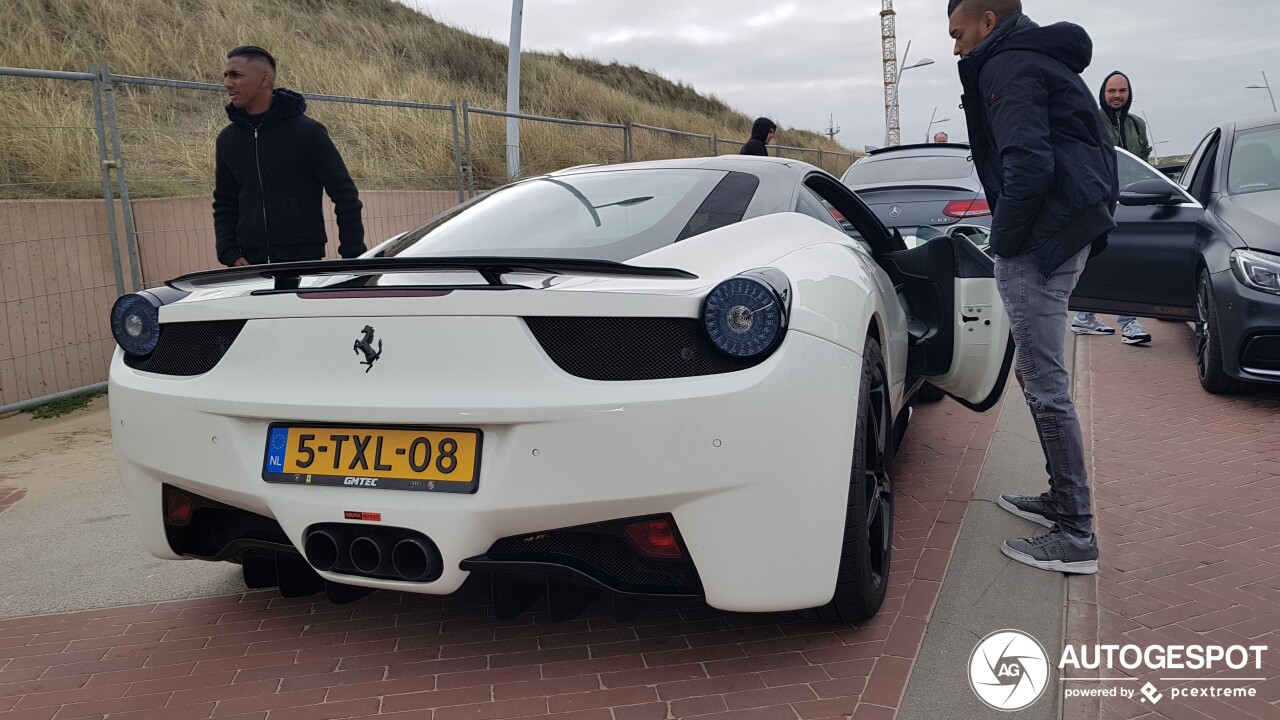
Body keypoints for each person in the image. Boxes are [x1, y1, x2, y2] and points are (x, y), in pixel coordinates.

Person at [947, 0, 1118, 575]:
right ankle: (1059, 500)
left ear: (988, 21)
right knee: (1042, 376)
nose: (955, 48)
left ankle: (1076, 531)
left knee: (1045, 383)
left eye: (959, 32)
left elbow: (1029, 165)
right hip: (1063, 230)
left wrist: (1005, 243)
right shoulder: (1039, 59)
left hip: (1040, 240)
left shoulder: (1008, 66)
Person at [213, 46, 365, 267]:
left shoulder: (308, 133)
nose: (227, 83)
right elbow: (225, 201)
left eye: (235, 75)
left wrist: (353, 257)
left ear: (264, 80)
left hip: (302, 263)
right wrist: (229, 252)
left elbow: (345, 195)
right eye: (226, 75)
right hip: (247, 266)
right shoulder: (228, 139)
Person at [1072, 70, 1153, 345]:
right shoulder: (1091, 121)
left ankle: (1084, 316)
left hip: (1131, 202)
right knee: (1110, 259)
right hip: (1102, 202)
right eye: (1112, 91)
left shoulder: (1137, 124)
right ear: (1103, 94)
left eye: (1122, 91)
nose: (1117, 96)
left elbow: (1143, 165)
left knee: (1115, 259)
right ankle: (1128, 322)